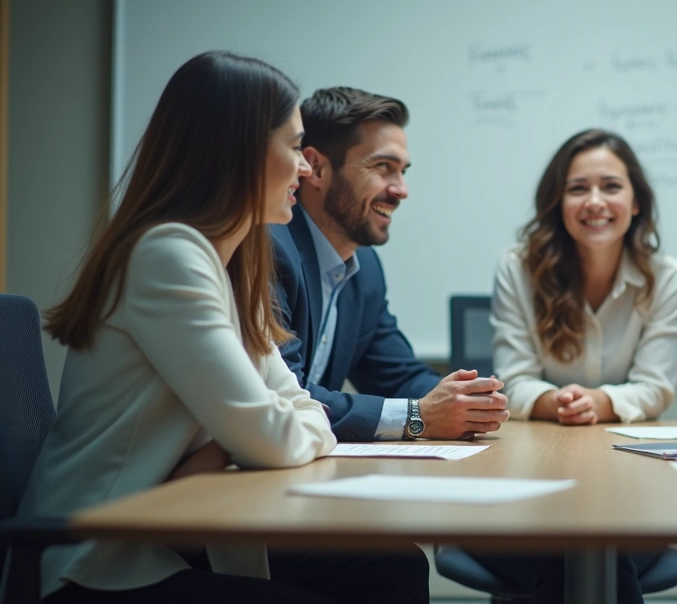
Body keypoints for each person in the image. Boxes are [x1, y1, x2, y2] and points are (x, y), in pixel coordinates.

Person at [23, 52, 427, 603]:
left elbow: (291, 407)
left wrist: (230, 449)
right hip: (105, 553)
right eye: (293, 148)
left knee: (389, 567)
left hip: (187, 530)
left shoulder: (234, 262)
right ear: (238, 151)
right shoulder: (167, 255)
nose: (307, 168)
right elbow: (274, 434)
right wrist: (244, 443)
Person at [473, 129, 677, 602]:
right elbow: (512, 379)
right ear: (557, 202)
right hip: (527, 483)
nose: (595, 201)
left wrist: (598, 402)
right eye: (577, 188)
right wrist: (556, 402)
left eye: (611, 186)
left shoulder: (665, 276)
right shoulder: (517, 268)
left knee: (602, 545)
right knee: (563, 546)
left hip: (628, 487)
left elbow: (655, 387)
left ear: (635, 202)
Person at [272, 86, 509, 442]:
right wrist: (418, 416)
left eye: (403, 171)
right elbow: (285, 397)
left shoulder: (364, 267)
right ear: (316, 169)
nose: (400, 190)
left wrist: (471, 398)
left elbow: (397, 376)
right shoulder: (270, 249)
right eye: (383, 167)